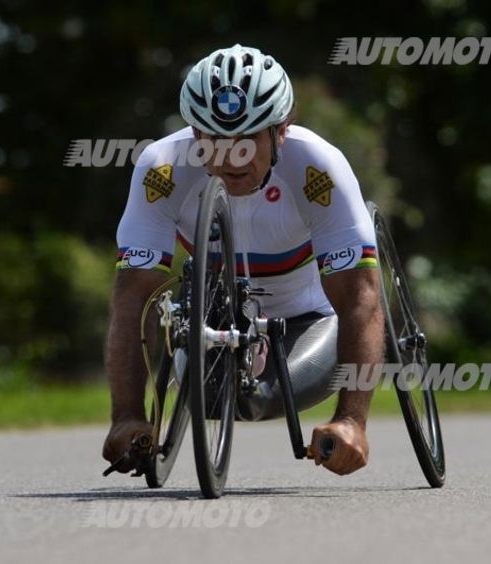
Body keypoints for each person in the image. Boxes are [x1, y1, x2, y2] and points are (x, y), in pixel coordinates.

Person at [103, 44, 384, 476]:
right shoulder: (162, 168)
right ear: (195, 133)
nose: (232, 156)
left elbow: (360, 300)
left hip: (308, 317)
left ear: (282, 130)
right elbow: (132, 300)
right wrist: (126, 414)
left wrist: (352, 420)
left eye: (248, 139)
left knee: (264, 400)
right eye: (215, 138)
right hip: (214, 318)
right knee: (217, 398)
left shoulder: (318, 167)